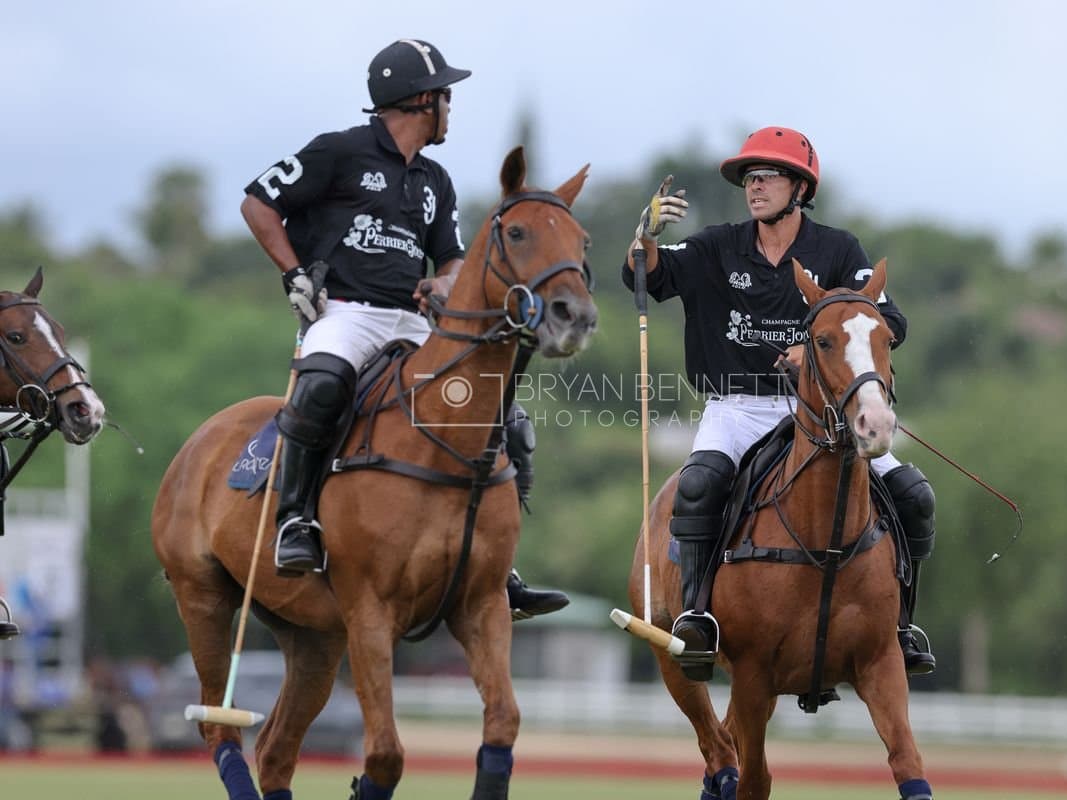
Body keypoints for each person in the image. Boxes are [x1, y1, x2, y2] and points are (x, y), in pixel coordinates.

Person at [241, 38, 568, 618]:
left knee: (508, 419)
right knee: (320, 387)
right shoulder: (338, 152)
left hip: (415, 321)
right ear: (421, 100)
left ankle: (498, 561)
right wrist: (293, 273)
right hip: (344, 310)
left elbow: (449, 258)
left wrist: (447, 282)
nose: (450, 107)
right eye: (446, 95)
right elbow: (258, 203)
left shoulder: (436, 181)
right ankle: (294, 522)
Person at [621, 126, 937, 680]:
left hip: (820, 414)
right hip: (736, 409)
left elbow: (889, 320)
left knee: (913, 495)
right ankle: (697, 616)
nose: (755, 186)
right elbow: (648, 275)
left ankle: (900, 625)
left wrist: (813, 352)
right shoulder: (717, 245)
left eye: (767, 176)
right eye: (750, 177)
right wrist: (643, 237)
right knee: (698, 486)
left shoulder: (838, 251)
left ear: (800, 188)